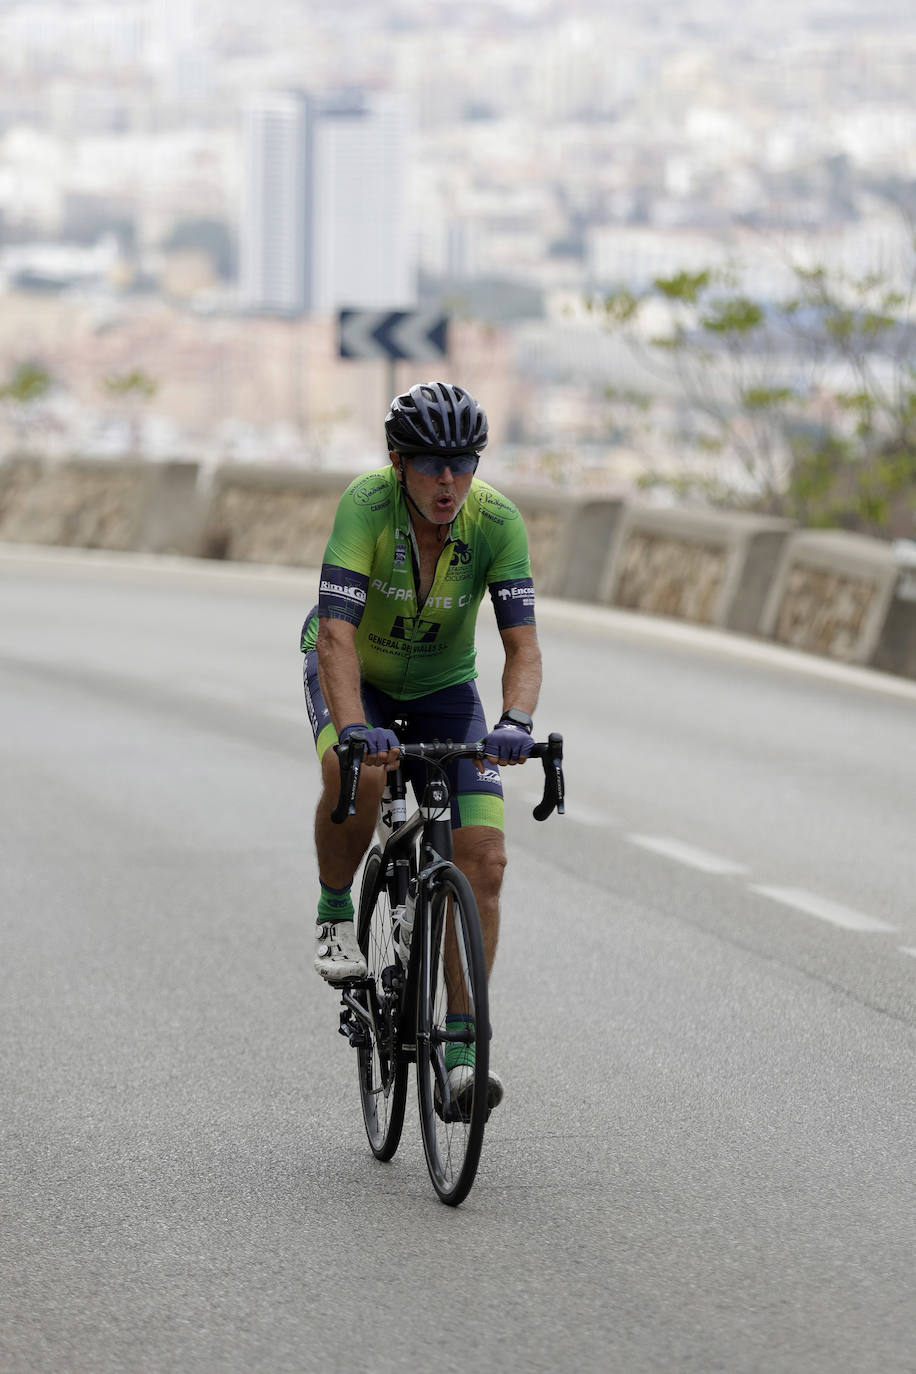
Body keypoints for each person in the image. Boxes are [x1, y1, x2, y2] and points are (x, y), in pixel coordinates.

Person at [301, 380, 542, 1111]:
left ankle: (464, 1055)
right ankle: (336, 913)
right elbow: (336, 636)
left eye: (463, 463)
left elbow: (522, 648)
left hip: (446, 692)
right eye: (432, 464)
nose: (448, 481)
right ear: (398, 461)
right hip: (355, 676)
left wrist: (516, 723)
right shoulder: (365, 507)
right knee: (362, 775)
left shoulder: (497, 522)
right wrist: (351, 727)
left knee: (487, 863)